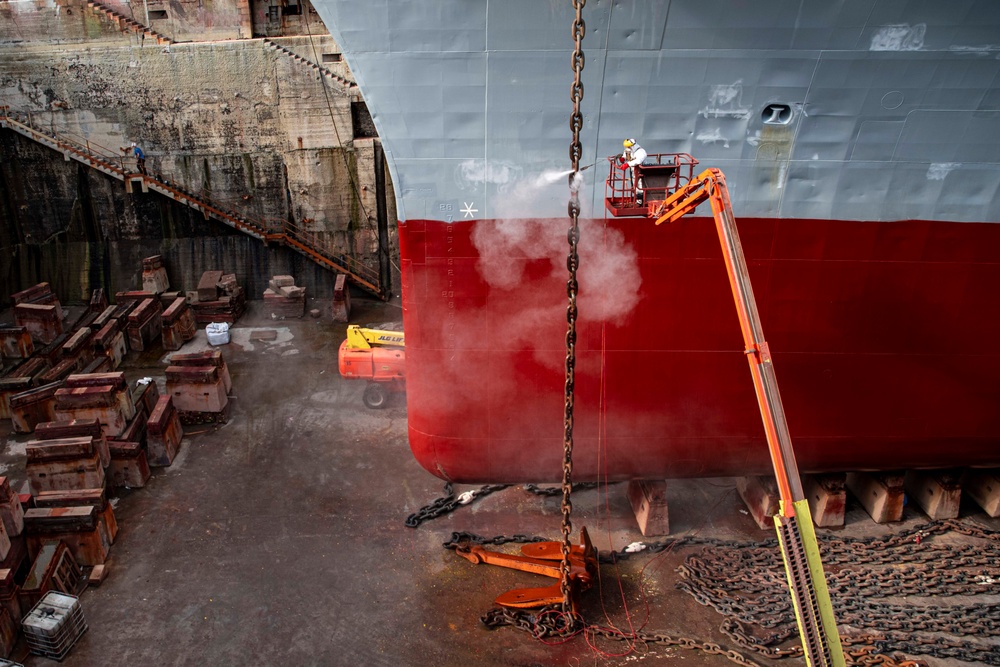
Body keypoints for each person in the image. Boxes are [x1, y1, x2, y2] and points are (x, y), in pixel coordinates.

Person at [618, 138, 648, 203]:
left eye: (629, 147)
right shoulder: (629, 150)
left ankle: (640, 200)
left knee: (640, 184)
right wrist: (622, 158)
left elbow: (638, 160)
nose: (628, 148)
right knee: (634, 183)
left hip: (640, 171)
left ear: (633, 145)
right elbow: (626, 155)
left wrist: (627, 164)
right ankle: (637, 198)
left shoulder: (641, 152)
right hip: (633, 170)